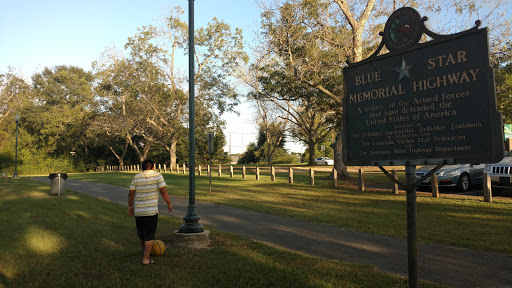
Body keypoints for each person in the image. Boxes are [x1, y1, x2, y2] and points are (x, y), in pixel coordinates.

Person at [128, 159, 172, 265]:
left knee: (142, 234)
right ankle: (146, 259)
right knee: (149, 235)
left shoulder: (136, 177)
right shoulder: (158, 176)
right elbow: (163, 191)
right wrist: (169, 203)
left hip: (139, 211)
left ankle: (145, 252)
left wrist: (130, 206)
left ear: (142, 167)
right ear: (153, 167)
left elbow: (131, 193)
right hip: (151, 211)